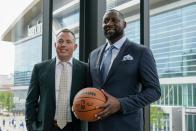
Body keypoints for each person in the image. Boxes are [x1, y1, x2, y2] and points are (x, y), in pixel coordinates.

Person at [88, 9, 161, 131]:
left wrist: (121, 104)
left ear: (124, 24)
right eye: (105, 21)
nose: (109, 23)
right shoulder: (93, 55)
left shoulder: (141, 52)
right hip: (97, 125)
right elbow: (89, 88)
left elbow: (154, 91)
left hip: (126, 125)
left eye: (114, 20)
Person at [25, 28, 88, 131]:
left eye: (68, 42)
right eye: (60, 41)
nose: (63, 44)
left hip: (75, 127)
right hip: (47, 127)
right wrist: (31, 128)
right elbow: (30, 102)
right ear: (55, 45)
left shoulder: (85, 69)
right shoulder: (39, 68)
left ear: (75, 46)